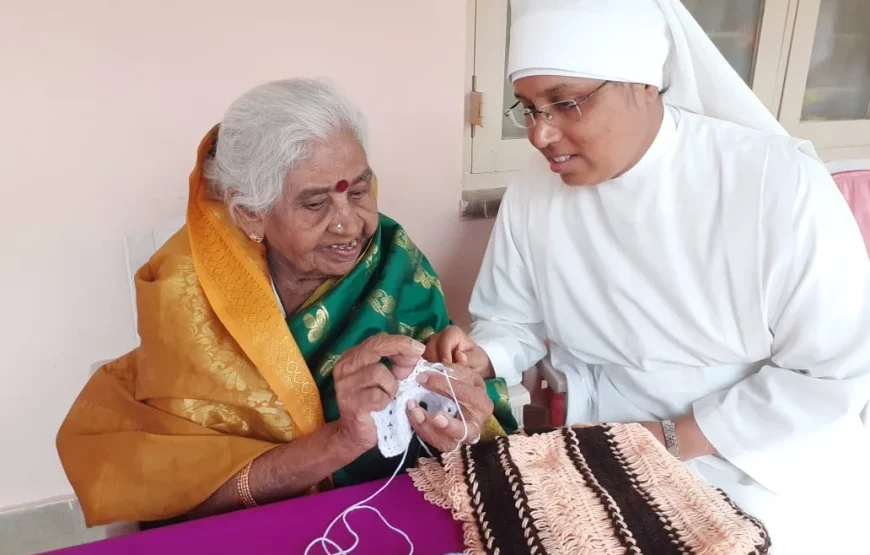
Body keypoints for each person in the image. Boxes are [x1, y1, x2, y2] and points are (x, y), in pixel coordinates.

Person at [426, 0, 870, 552]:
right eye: (528, 109)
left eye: (564, 104)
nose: (539, 136)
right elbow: (513, 317)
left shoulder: (776, 183)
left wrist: (666, 440)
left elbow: (830, 374)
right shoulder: (533, 193)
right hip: (601, 438)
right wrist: (481, 355)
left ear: (643, 85)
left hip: (767, 458)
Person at [57, 78, 516, 527]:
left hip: (381, 512)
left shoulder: (393, 257)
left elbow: (454, 433)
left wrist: (458, 413)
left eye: (359, 191)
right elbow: (187, 494)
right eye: (315, 204)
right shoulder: (185, 287)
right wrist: (340, 440)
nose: (349, 224)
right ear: (250, 213)